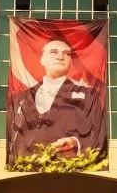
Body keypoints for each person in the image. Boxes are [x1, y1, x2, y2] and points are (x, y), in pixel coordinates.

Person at [7, 38, 106, 167]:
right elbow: (12, 137)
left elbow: (99, 135)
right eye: (54, 52)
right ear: (42, 59)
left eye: (67, 53)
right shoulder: (20, 100)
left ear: (71, 62)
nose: (60, 57)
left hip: (70, 171)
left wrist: (76, 144)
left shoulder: (89, 97)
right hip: (26, 171)